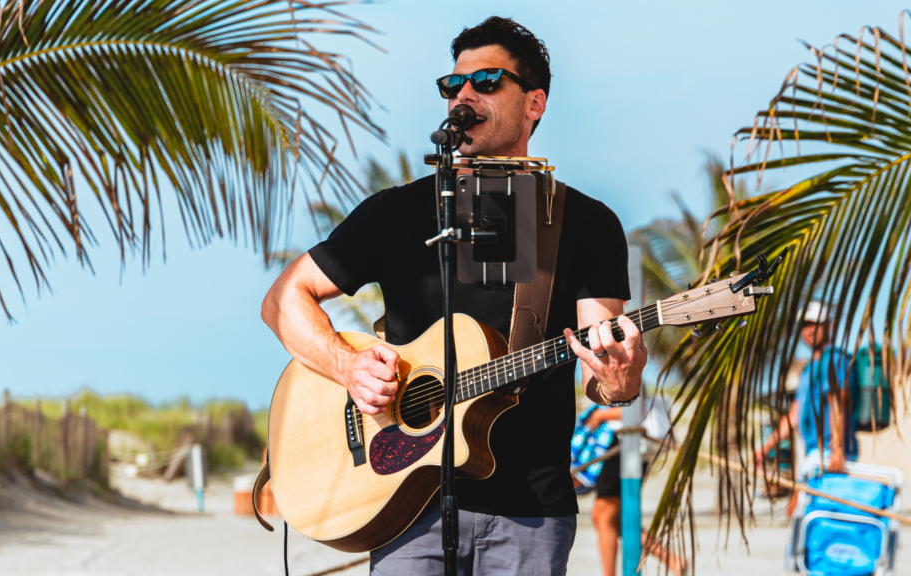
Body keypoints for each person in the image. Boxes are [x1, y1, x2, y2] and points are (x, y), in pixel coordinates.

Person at [261, 16, 646, 576]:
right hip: (404, 503)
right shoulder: (398, 212)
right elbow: (284, 298)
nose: (464, 95)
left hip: (530, 515)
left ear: (534, 103)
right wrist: (347, 366)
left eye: (487, 81)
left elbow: (601, 361)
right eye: (454, 85)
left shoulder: (586, 224)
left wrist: (619, 381)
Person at [580, 398, 684, 576]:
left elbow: (637, 406)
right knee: (617, 520)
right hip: (623, 445)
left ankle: (609, 574)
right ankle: (672, 560)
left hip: (623, 445)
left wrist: (601, 415)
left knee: (603, 516)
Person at [755, 301, 858, 478]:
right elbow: (794, 415)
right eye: (805, 325)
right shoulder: (807, 370)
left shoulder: (835, 360)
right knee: (805, 505)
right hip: (813, 454)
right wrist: (765, 447)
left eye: (816, 324)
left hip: (832, 455)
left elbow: (838, 402)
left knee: (825, 506)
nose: (810, 330)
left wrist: (837, 450)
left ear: (829, 326)